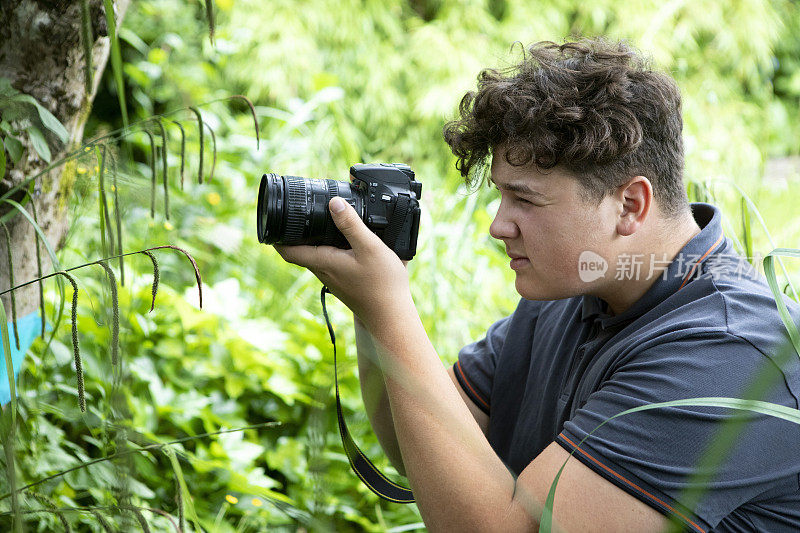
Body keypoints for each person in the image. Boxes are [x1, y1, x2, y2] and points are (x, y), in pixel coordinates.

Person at [275, 38, 800, 532]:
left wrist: (390, 308)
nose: (497, 225)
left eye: (525, 201)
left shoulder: (732, 351)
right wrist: (368, 307)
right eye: (502, 198)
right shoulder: (579, 291)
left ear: (630, 206)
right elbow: (411, 443)